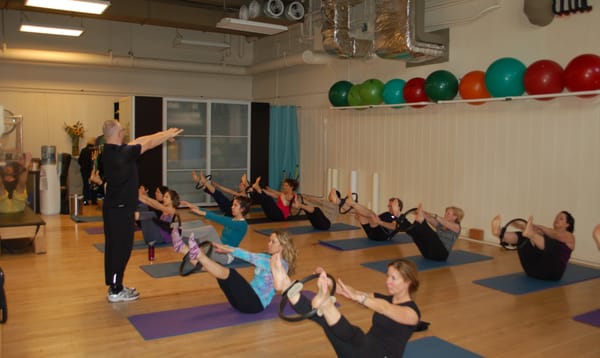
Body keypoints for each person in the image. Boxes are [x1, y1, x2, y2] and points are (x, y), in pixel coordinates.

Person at [270, 255, 420, 358]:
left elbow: (385, 308)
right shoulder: (384, 298)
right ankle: (286, 286)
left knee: (355, 335)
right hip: (361, 351)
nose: (387, 281)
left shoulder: (412, 313)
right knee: (322, 319)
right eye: (387, 276)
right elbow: (352, 292)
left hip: (379, 355)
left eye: (393, 278)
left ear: (408, 282)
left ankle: (327, 303)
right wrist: (328, 281)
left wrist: (360, 298)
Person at [100, 119, 183, 303]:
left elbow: (141, 140)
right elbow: (148, 144)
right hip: (119, 211)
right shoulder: (121, 155)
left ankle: (117, 285)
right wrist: (166, 135)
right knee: (119, 250)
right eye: (122, 130)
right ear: (118, 133)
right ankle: (115, 290)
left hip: (117, 210)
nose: (125, 133)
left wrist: (163, 133)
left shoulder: (111, 151)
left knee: (118, 248)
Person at [173, 230, 297, 313]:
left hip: (254, 305)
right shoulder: (266, 257)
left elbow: (250, 257)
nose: (269, 244)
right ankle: (183, 249)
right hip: (241, 301)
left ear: (283, 246)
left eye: (273, 242)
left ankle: (198, 255)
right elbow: (249, 254)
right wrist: (221, 246)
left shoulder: (282, 266)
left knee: (231, 273)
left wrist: (230, 250)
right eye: (269, 240)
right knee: (220, 269)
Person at [491, 212, 575, 280]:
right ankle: (499, 233)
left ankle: (530, 234)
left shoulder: (569, 237)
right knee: (524, 237)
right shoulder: (547, 232)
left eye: (561, 218)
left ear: (567, 225)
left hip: (552, 273)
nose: (556, 219)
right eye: (556, 217)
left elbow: (556, 235)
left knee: (552, 245)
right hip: (533, 270)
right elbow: (534, 228)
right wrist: (520, 225)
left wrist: (537, 229)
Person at [176, 195, 252, 264]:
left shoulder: (242, 225)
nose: (232, 207)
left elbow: (219, 218)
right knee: (199, 223)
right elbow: (212, 214)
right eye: (233, 204)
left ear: (242, 209)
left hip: (224, 256)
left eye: (235, 205)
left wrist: (203, 214)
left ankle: (179, 232)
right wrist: (191, 205)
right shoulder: (232, 220)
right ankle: (176, 227)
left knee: (210, 229)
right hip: (216, 249)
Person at [334, 189, 406, 241]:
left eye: (391, 206)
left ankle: (352, 203)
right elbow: (374, 219)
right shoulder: (387, 214)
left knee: (371, 214)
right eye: (389, 206)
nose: (389, 207)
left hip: (382, 236)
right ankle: (338, 201)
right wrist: (360, 216)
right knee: (360, 212)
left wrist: (379, 222)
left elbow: (394, 227)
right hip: (372, 233)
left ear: (398, 207)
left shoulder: (400, 218)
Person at [78, 137, 99, 205]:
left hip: (84, 170)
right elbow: (96, 161)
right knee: (93, 185)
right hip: (92, 171)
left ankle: (85, 201)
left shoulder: (83, 150)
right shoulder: (94, 150)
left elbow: (79, 160)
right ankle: (93, 201)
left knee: (85, 185)